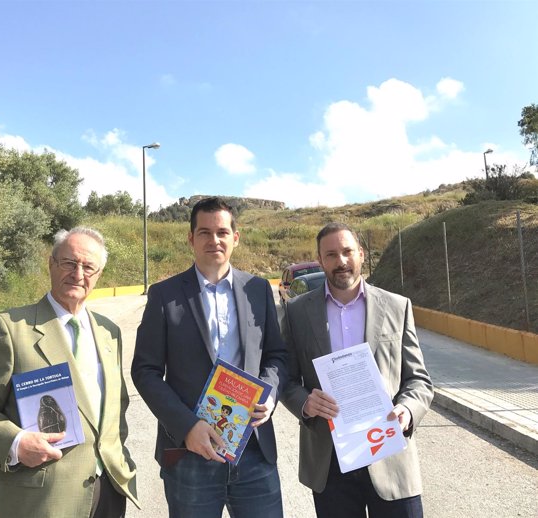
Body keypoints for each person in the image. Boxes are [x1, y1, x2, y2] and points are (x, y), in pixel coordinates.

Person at [0, 227, 138, 518]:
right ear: (51, 264)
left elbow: (116, 407)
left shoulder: (108, 332)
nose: (78, 274)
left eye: (88, 267)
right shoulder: (10, 328)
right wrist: (15, 443)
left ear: (99, 274)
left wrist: (117, 458)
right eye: (69, 263)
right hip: (41, 499)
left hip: (108, 493)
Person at [131, 196, 286, 518]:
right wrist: (187, 426)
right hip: (190, 453)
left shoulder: (257, 290)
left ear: (235, 238)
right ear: (191, 238)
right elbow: (145, 371)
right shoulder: (165, 295)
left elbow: (276, 355)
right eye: (204, 232)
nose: (213, 240)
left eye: (222, 232)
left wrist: (269, 396)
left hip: (253, 450)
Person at [280, 222, 434, 518]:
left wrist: (407, 410)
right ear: (321, 260)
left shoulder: (397, 306)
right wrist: (304, 403)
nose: (341, 261)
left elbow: (419, 381)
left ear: (361, 254)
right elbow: (286, 380)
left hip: (389, 454)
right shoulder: (297, 312)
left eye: (347, 251)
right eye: (331, 254)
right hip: (330, 462)